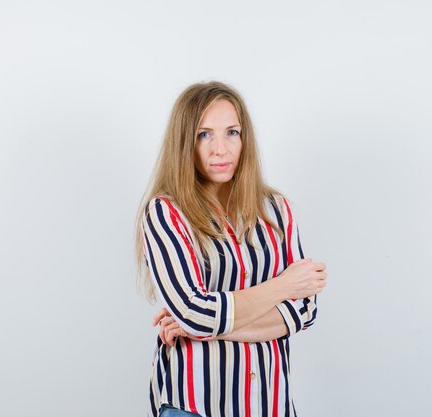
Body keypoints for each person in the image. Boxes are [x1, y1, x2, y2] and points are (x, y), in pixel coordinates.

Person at [134, 81, 328, 417]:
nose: (220, 149)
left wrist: (198, 324)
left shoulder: (275, 209)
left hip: (271, 403)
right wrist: (284, 286)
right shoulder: (166, 212)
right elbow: (196, 311)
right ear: (184, 143)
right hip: (196, 405)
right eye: (204, 134)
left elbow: (305, 310)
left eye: (232, 133)